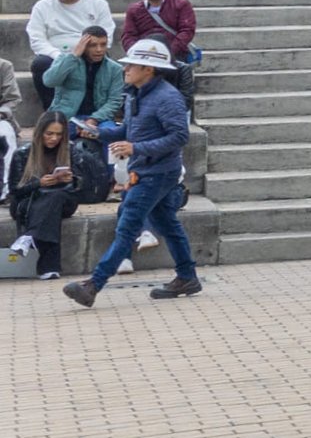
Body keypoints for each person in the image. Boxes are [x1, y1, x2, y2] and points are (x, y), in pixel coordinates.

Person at [61, 39, 201, 307]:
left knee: (127, 227)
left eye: (131, 65)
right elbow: (129, 130)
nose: (125, 69)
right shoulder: (136, 94)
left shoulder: (167, 98)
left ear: (148, 69)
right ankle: (187, 276)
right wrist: (98, 132)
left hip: (157, 173)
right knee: (167, 225)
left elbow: (179, 136)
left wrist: (136, 147)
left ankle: (93, 285)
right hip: (148, 170)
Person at [10, 111, 82, 278]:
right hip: (30, 202)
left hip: (62, 198)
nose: (54, 138)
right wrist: (39, 183)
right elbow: (15, 190)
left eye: (58, 134)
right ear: (40, 132)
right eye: (49, 133)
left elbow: (80, 187)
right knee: (50, 206)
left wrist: (69, 180)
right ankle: (49, 268)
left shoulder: (70, 150)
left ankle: (29, 236)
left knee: (55, 197)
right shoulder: (23, 153)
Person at [26, 0, 114, 97]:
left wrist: (85, 51)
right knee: (40, 64)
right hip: (54, 53)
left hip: (88, 50)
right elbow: (36, 38)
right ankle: (52, 111)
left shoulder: (98, 4)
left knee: (103, 61)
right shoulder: (42, 6)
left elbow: (107, 33)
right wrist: (58, 55)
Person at [119, 0, 198, 96]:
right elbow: (128, 36)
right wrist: (138, 55)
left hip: (173, 57)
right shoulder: (134, 9)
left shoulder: (181, 4)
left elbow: (187, 31)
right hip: (143, 60)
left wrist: (166, 53)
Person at [43, 28, 123, 128]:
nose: (99, 49)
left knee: (110, 134)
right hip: (68, 117)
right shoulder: (65, 60)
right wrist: (74, 56)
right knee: (56, 133)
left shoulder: (115, 69)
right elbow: (49, 81)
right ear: (83, 45)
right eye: (93, 45)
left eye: (103, 45)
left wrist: (93, 120)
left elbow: (114, 101)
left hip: (100, 119)